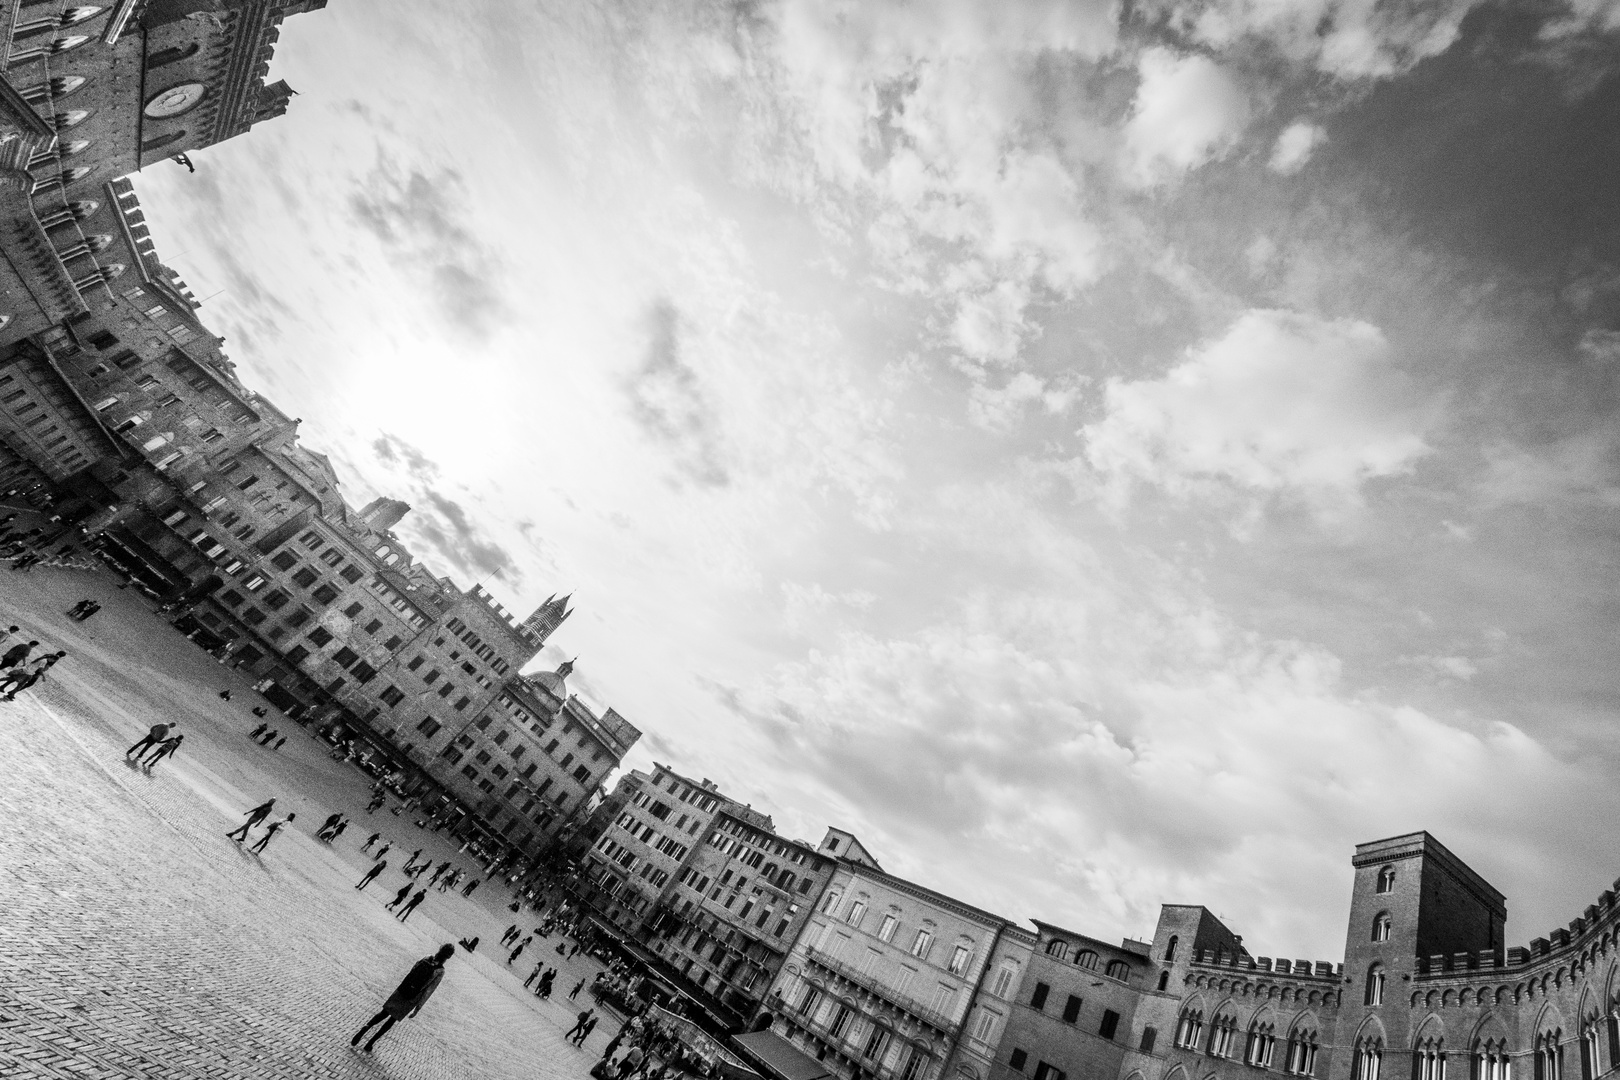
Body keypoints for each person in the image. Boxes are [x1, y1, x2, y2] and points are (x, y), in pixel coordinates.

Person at [350, 944, 453, 1053]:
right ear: (448, 957)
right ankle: (370, 1043)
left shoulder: (427, 957)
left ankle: (366, 1027)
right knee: (391, 1020)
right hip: (413, 997)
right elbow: (429, 990)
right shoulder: (440, 971)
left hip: (403, 989)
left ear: (440, 949)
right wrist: (418, 1008)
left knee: (383, 1013)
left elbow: (413, 970)